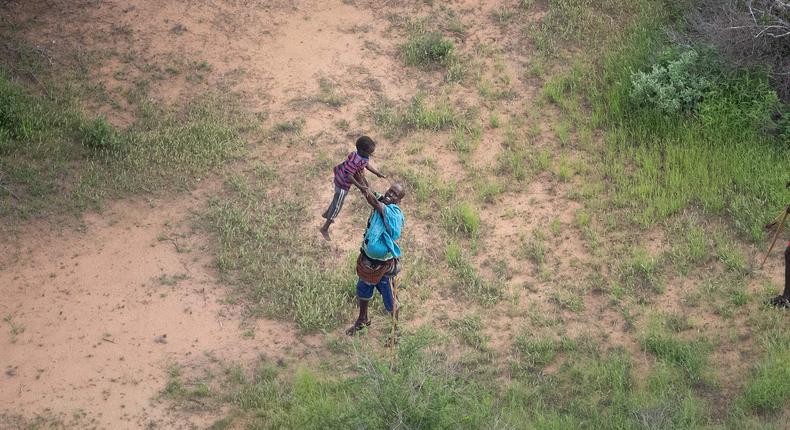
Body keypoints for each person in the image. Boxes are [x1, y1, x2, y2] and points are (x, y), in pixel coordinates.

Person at [346, 181, 406, 336]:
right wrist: (360, 176)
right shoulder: (380, 201)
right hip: (367, 261)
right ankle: (362, 320)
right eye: (390, 191)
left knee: (390, 301)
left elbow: (371, 199)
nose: (390, 195)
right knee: (363, 291)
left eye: (395, 195)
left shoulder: (392, 213)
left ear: (398, 201)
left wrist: (355, 181)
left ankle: (395, 332)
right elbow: (371, 193)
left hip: (382, 267)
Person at [320, 136, 386, 241]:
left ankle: (327, 214)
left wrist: (377, 173)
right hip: (343, 184)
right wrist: (360, 186)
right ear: (361, 150)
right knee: (338, 206)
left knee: (336, 201)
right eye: (369, 153)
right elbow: (349, 175)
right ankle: (325, 228)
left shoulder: (363, 156)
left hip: (344, 182)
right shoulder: (355, 160)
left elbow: (367, 165)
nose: (370, 155)